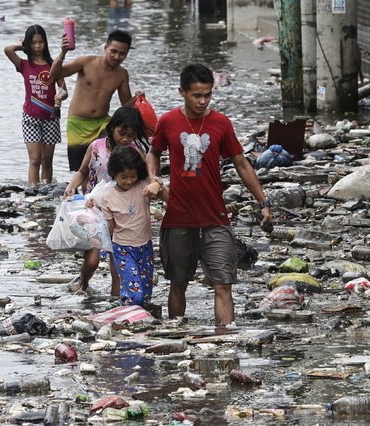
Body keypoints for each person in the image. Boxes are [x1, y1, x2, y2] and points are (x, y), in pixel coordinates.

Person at [144, 63, 272, 325]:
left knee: (223, 285)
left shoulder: (221, 123)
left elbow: (241, 163)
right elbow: (153, 152)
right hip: (179, 217)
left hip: (215, 217)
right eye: (197, 95)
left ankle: (225, 342)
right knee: (178, 284)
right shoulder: (168, 121)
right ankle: (176, 338)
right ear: (182, 92)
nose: (203, 101)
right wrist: (152, 177)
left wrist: (264, 201)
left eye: (208, 95)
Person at [63, 107, 147, 294]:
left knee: (116, 262)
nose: (125, 139)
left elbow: (144, 179)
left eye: (131, 135)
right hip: (94, 209)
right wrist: (71, 186)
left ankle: (116, 300)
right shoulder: (96, 147)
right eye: (121, 133)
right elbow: (83, 171)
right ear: (112, 128)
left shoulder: (135, 152)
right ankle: (83, 282)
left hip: (121, 213)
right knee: (92, 260)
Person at [50, 29, 141, 172]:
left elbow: (125, 106)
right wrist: (63, 52)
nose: (117, 57)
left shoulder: (122, 74)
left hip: (102, 124)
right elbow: (54, 74)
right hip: (77, 124)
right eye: (113, 51)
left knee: (107, 158)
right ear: (105, 48)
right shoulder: (86, 62)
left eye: (122, 53)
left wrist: (137, 98)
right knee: (80, 169)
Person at [100, 146, 167, 306]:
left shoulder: (143, 185)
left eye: (133, 176)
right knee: (134, 293)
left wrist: (158, 185)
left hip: (145, 247)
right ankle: (129, 317)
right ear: (113, 174)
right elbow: (109, 229)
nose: (129, 181)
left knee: (145, 292)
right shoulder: (108, 197)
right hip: (122, 249)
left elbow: (169, 199)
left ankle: (139, 322)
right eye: (124, 177)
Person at [5, 24, 67, 185]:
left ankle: (46, 190)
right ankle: (33, 191)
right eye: (33, 43)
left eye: (40, 42)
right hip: (30, 117)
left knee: (47, 160)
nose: (37, 46)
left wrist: (60, 96)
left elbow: (63, 89)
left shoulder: (53, 65)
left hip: (51, 118)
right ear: (28, 44)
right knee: (35, 159)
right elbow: (8, 50)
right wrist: (21, 46)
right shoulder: (24, 65)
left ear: (45, 43)